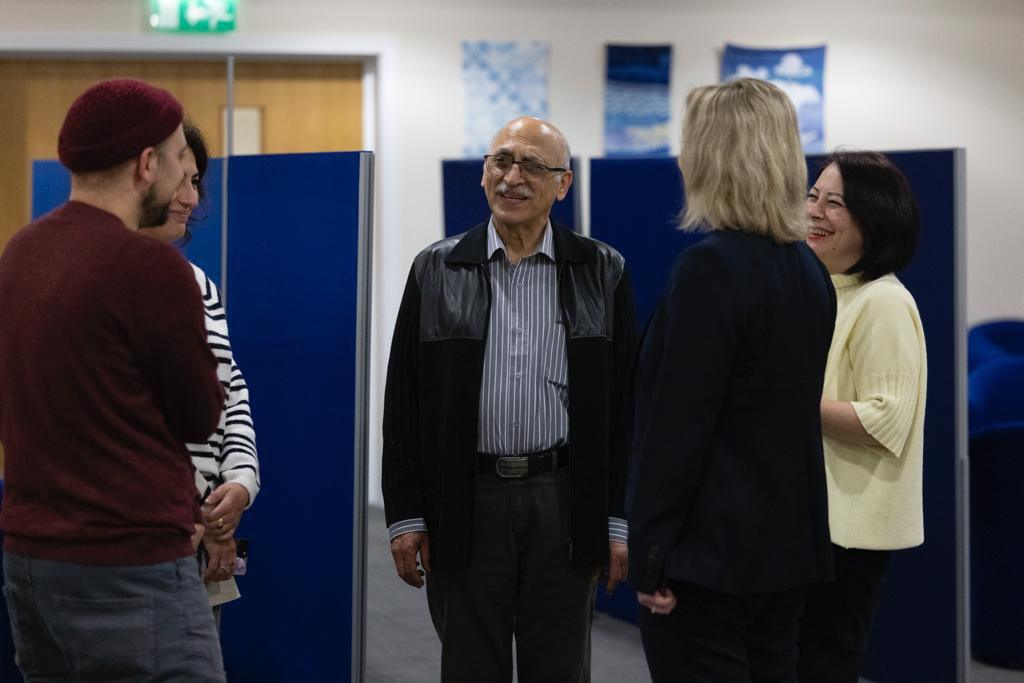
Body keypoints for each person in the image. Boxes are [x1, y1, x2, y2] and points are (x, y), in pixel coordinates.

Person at [382, 115, 637, 682]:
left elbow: (623, 410)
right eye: (501, 161)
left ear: (562, 185)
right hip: (464, 498)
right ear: (483, 173)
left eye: (532, 166)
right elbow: (403, 401)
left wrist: (617, 521)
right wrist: (404, 515)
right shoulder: (436, 267)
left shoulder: (603, 269)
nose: (512, 177)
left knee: (560, 665)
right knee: (471, 664)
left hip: (563, 499)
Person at [0, 78, 227, 681]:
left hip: (31, 560)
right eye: (181, 159)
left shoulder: (20, 254)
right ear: (147, 164)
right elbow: (200, 414)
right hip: (131, 567)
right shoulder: (151, 268)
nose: (187, 180)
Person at [627, 78, 836, 682]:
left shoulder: (711, 268)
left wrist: (651, 555)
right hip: (784, 552)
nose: (679, 157)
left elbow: (679, 427)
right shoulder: (807, 268)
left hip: (707, 560)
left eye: (689, 141)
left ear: (715, 156)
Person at [798, 150, 926, 682]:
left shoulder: (883, 301)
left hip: (846, 539)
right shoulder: (826, 290)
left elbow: (884, 421)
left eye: (835, 204)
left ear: (873, 222)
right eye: (812, 197)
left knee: (824, 666)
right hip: (810, 525)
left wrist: (780, 403)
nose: (815, 212)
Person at [140, 122, 261, 608]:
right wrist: (200, 518)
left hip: (198, 538)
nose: (190, 198)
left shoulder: (199, 285)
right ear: (141, 176)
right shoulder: (102, 282)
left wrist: (239, 484)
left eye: (196, 182)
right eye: (180, 179)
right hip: (140, 545)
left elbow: (230, 392)